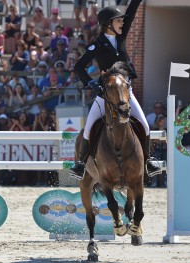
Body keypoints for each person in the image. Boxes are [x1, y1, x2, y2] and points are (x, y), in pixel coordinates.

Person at [70, 1, 162, 179]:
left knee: (144, 124)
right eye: (118, 21)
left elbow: (132, 12)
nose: (122, 23)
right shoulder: (96, 45)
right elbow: (79, 67)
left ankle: (148, 161)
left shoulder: (121, 35)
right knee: (88, 128)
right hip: (105, 95)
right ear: (108, 24)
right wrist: (91, 83)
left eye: (121, 21)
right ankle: (81, 164)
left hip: (126, 93)